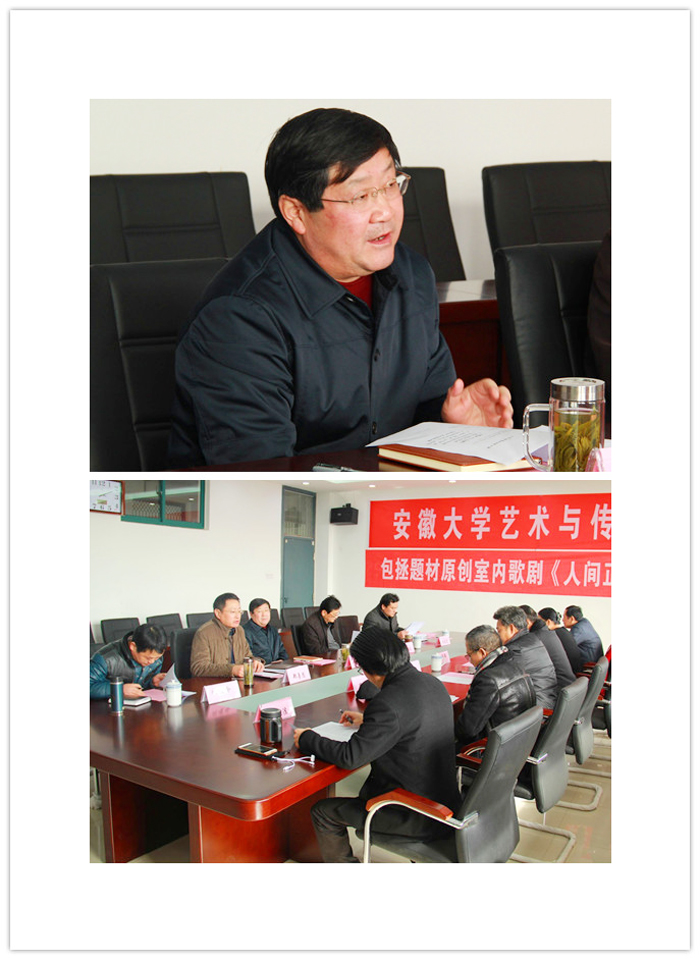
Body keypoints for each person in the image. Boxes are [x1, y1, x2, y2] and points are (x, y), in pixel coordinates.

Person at [168, 107, 513, 467]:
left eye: (390, 185)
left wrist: (455, 427)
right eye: (360, 196)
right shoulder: (239, 319)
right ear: (296, 212)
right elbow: (262, 474)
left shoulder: (411, 276)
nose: (385, 212)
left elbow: (423, 411)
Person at [293, 626, 461, 862]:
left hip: (413, 811)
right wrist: (368, 721)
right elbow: (412, 721)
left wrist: (307, 738)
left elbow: (350, 757)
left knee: (322, 812)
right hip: (446, 803)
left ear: (370, 670)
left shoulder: (388, 702)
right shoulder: (431, 682)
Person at [454, 625, 536, 744]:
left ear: (482, 652)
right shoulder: (515, 663)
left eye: (469, 655)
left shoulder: (488, 680)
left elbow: (468, 729)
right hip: (518, 741)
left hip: (492, 746)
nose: (469, 660)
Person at [492, 605, 558, 710]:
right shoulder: (532, 639)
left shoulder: (514, 650)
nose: (498, 636)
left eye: (499, 631)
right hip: (547, 697)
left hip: (536, 707)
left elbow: (495, 680)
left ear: (511, 628)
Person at [190, 593, 264, 678]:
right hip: (214, 683)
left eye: (239, 611)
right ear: (218, 613)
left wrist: (254, 662)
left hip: (237, 681)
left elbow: (247, 655)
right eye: (232, 612)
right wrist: (231, 670)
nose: (237, 616)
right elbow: (198, 667)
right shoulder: (204, 633)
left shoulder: (239, 630)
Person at [90, 623, 167, 700]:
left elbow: (140, 686)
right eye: (148, 658)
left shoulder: (156, 658)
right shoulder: (105, 658)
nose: (152, 662)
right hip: (109, 705)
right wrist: (119, 689)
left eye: (157, 658)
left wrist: (152, 682)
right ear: (133, 646)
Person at [519, 604, 575, 690]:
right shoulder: (547, 633)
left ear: (527, 622)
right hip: (568, 685)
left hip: (558, 689)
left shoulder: (535, 638)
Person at [538, 606, 583, 674]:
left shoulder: (553, 635)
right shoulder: (564, 631)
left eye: (539, 621)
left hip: (570, 673)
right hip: (576, 672)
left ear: (548, 622)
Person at [243, 598, 286, 662]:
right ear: (251, 614)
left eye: (266, 611)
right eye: (259, 611)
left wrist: (281, 660)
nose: (264, 614)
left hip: (276, 666)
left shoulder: (273, 630)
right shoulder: (245, 632)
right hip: (259, 667)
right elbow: (247, 657)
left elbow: (282, 651)